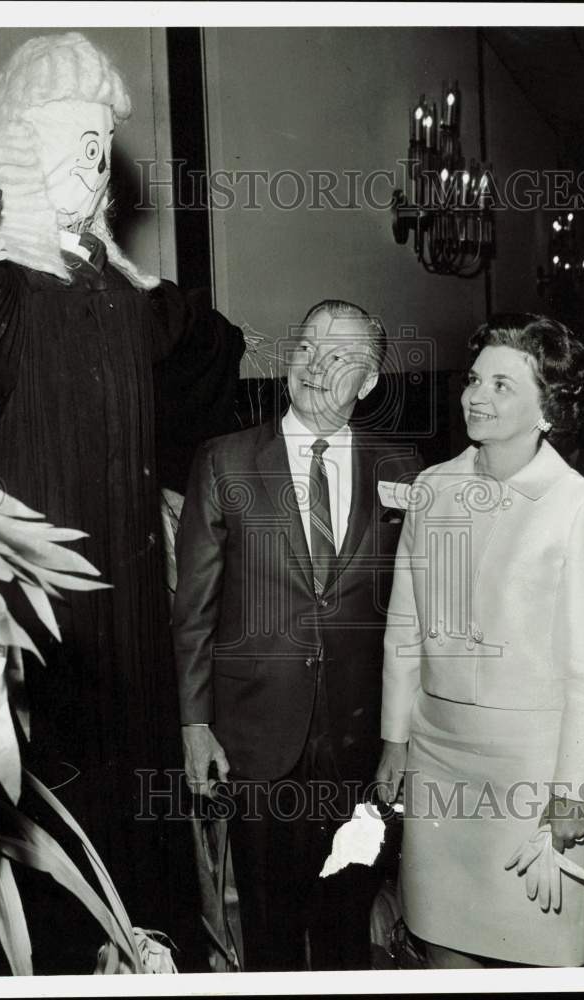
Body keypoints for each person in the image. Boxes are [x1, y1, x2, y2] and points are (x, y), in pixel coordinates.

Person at [0, 32, 244, 969]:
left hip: (129, 630)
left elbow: (211, 347)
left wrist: (128, 270)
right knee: (56, 861)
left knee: (139, 852)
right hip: (39, 636)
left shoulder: (122, 302)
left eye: (101, 147)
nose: (96, 168)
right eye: (76, 143)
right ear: (23, 151)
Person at [173, 300, 421, 970]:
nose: (316, 365)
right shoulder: (225, 462)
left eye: (340, 356)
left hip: (359, 738)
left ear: (368, 383)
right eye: (308, 347)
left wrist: (403, 735)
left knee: (347, 918)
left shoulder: (400, 469)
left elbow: (415, 611)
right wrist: (196, 724)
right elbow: (194, 606)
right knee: (269, 926)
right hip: (256, 734)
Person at [375, 313, 584, 968]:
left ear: (549, 407)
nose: (476, 397)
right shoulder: (432, 490)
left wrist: (580, 789)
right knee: (438, 944)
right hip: (436, 763)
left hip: (535, 775)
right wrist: (394, 740)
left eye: (502, 385)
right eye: (473, 379)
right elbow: (405, 624)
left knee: (538, 956)